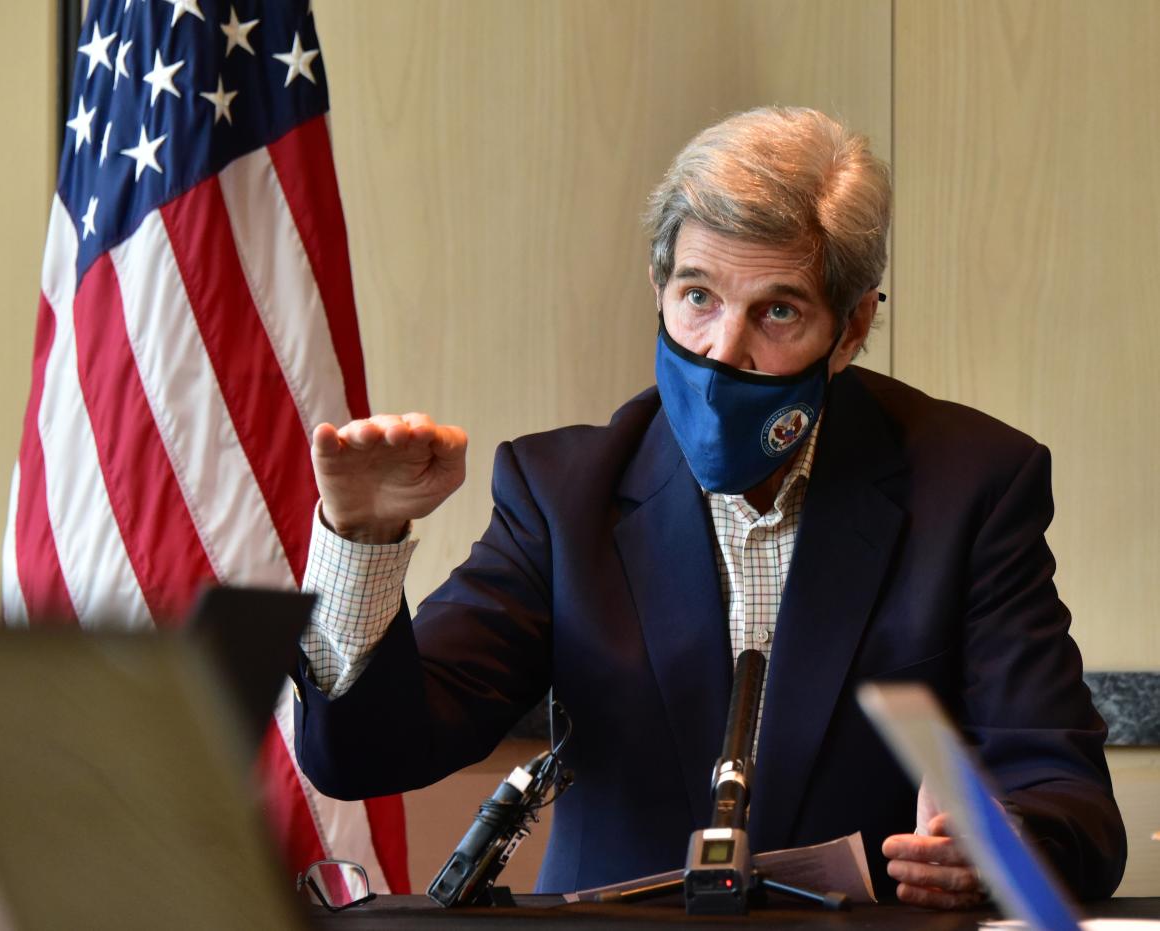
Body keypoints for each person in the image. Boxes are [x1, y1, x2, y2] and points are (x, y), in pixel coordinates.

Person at [289, 107, 1127, 905]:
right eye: (698, 297)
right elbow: (368, 753)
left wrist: (998, 849)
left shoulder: (970, 484)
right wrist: (363, 537)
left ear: (853, 329)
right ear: (659, 286)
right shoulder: (562, 491)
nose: (723, 350)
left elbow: (1069, 798)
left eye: (778, 310)